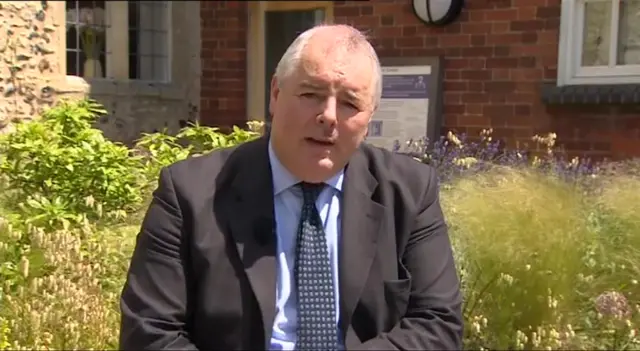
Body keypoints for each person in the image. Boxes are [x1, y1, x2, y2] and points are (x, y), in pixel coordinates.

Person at [119, 24, 463, 350]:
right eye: (311, 94)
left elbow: (438, 324)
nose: (329, 116)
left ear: (370, 115)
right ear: (275, 93)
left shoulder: (409, 192)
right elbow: (149, 332)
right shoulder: (190, 194)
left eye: (350, 103)